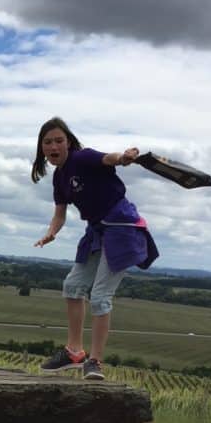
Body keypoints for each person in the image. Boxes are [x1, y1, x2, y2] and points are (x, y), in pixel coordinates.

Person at [32, 116, 158, 381]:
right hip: (98, 231)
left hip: (122, 227)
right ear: (42, 148)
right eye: (47, 142)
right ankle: (74, 352)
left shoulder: (82, 158)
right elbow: (59, 214)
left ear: (68, 143)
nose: (53, 146)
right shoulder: (59, 177)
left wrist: (124, 157)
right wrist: (50, 233)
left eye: (58, 140)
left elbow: (109, 159)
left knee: (100, 296)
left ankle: (95, 361)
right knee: (72, 286)